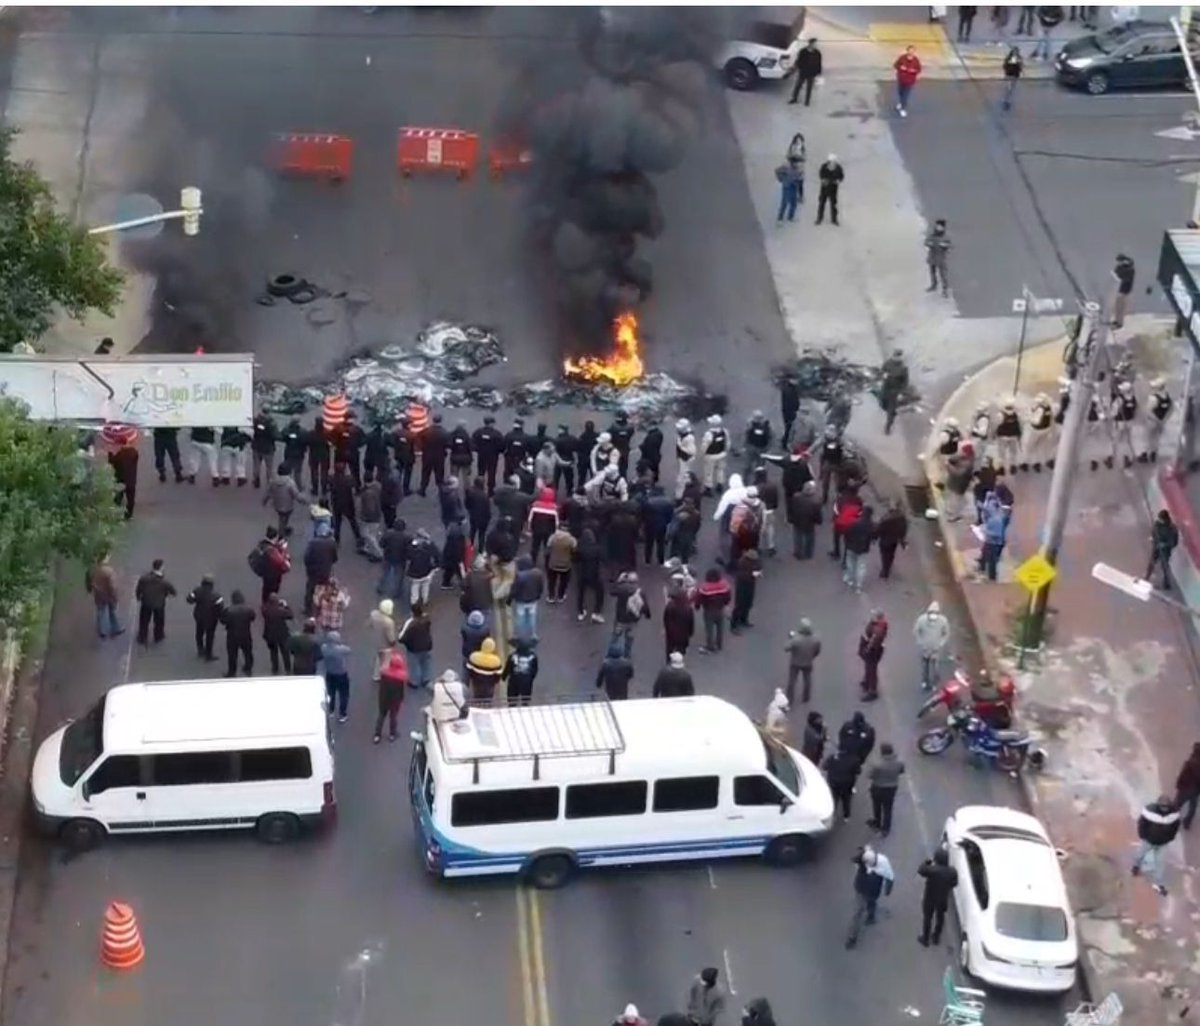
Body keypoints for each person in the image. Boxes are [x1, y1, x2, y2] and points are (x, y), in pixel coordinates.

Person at [845, 845, 895, 949]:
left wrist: (887, 890)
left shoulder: (883, 863)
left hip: (872, 890)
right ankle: (852, 937)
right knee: (858, 912)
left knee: (871, 902)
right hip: (861, 889)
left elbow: (890, 877)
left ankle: (871, 916)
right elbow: (860, 855)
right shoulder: (864, 858)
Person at [1132, 794, 1181, 896]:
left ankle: (1159, 884)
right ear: (1158, 805)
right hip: (1149, 840)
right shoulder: (1149, 811)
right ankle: (1135, 867)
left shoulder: (1174, 814)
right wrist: (1143, 835)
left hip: (1163, 843)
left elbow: (1175, 826)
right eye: (1162, 807)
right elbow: (1142, 823)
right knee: (1139, 855)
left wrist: (1170, 837)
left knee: (1160, 865)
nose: (1164, 809)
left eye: (1166, 807)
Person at [917, 848, 959, 946]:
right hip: (942, 898)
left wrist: (927, 862)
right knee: (940, 917)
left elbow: (921, 870)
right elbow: (954, 883)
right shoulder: (952, 872)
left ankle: (925, 938)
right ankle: (936, 937)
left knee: (928, 917)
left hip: (930, 897)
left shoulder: (932, 870)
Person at [866, 742, 905, 836]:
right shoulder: (899, 762)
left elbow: (870, 776)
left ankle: (877, 822)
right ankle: (886, 829)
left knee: (877, 806)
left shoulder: (878, 764)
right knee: (888, 808)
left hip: (878, 787)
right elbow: (901, 771)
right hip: (891, 788)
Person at [135, 558, 176, 646]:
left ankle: (142, 637)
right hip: (159, 605)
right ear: (161, 568)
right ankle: (158, 636)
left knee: (144, 621)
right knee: (159, 622)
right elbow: (173, 592)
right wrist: (166, 596)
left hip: (146, 603)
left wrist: (138, 597)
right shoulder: (165, 582)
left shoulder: (144, 578)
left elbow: (139, 589)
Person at [303, 518, 339, 615]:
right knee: (325, 589)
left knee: (310, 589)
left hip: (313, 571)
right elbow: (335, 557)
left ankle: (308, 609)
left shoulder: (313, 543)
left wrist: (308, 566)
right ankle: (323, 607)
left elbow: (307, 557)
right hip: (326, 570)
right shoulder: (332, 542)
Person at [612, 571, 652, 656]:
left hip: (621, 619)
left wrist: (619, 580)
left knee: (615, 637)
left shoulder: (622, 588)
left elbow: (612, 591)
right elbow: (644, 605)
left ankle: (611, 654)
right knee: (629, 639)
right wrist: (647, 614)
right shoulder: (640, 591)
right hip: (633, 620)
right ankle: (627, 656)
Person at [913, 601, 951, 691]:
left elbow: (946, 634)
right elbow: (916, 631)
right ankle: (925, 681)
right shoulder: (921, 620)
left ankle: (934, 682)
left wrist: (941, 643)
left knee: (935, 666)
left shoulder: (943, 621)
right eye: (931, 613)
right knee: (925, 666)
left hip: (935, 649)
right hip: (925, 648)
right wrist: (920, 642)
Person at [184, 573, 223, 660]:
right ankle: (208, 654)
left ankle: (200, 649)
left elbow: (189, 600)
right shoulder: (216, 595)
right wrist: (220, 617)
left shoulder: (197, 591)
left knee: (199, 632)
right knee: (210, 635)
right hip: (211, 618)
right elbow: (220, 608)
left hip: (199, 615)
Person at [694, 567, 731, 654]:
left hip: (709, 610)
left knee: (709, 629)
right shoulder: (724, 585)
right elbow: (728, 595)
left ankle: (710, 646)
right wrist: (725, 603)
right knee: (720, 628)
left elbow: (699, 598)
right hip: (720, 608)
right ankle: (719, 644)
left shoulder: (705, 587)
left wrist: (697, 606)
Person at [86, 554, 124, 640]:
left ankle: (102, 631)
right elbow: (112, 586)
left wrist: (89, 590)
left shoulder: (92, 570)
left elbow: (88, 581)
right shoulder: (109, 571)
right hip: (109, 595)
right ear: (104, 559)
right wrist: (115, 596)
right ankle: (115, 628)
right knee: (113, 611)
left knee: (100, 612)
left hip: (99, 595)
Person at [220, 589, 256, 678]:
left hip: (232, 635)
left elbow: (223, 621)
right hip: (245, 634)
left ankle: (232, 672)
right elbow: (253, 617)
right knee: (247, 652)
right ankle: (248, 668)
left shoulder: (228, 610)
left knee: (232, 654)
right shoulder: (248, 609)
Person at [784, 619, 821, 705]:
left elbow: (786, 648)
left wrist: (790, 638)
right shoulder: (815, 639)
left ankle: (789, 698)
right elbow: (817, 651)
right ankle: (806, 697)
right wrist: (812, 657)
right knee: (807, 679)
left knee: (792, 681)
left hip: (795, 662)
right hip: (808, 662)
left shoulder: (796, 639)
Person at [397, 603, 434, 689]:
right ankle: (426, 679)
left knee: (414, 665)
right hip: (427, 645)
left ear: (412, 612)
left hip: (414, 648)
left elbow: (401, 638)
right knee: (425, 662)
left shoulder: (411, 623)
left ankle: (414, 682)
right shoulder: (427, 619)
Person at [374, 649, 407, 743]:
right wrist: (401, 699)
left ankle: (377, 735)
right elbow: (401, 690)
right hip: (395, 700)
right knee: (393, 717)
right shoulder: (400, 677)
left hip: (383, 698)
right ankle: (392, 734)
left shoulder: (384, 673)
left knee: (381, 716)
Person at [508, 555, 545, 641]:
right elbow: (541, 586)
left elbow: (514, 590)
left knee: (521, 618)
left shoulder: (519, 576)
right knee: (531, 617)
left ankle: (519, 636)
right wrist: (538, 595)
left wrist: (509, 600)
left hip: (521, 601)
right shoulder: (538, 573)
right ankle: (532, 635)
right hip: (533, 600)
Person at [263, 463, 304, 538]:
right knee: (284, 518)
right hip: (288, 506)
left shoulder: (273, 481)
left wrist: (264, 501)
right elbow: (296, 495)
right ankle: (281, 534)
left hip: (277, 504)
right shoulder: (290, 483)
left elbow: (269, 492)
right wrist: (303, 500)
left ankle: (283, 529)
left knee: (281, 517)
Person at [842, 503, 875, 593]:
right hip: (864, 548)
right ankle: (859, 585)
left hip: (851, 546)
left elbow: (847, 533)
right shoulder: (871, 525)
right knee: (861, 566)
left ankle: (850, 579)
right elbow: (873, 536)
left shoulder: (854, 523)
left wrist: (847, 542)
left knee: (850, 563)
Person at [321, 629, 352, 722]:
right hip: (341, 674)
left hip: (330, 673)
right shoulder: (341, 649)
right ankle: (342, 714)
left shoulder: (324, 648)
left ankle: (331, 710)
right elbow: (349, 650)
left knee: (331, 693)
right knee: (344, 694)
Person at [729, 548, 762, 634]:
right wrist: (752, 574)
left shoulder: (756, 561)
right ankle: (734, 624)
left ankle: (744, 619)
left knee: (748, 603)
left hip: (751, 584)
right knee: (739, 604)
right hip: (742, 585)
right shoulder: (742, 562)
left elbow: (759, 567)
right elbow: (742, 575)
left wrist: (758, 572)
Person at [858, 610, 888, 701]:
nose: (872, 616)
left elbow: (873, 642)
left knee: (871, 670)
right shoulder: (876, 625)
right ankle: (867, 682)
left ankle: (872, 691)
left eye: (874, 615)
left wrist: (866, 650)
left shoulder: (878, 629)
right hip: (872, 651)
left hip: (872, 652)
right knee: (869, 668)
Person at [823, 746, 860, 820]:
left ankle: (832, 814)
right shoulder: (854, 759)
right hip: (847, 783)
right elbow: (858, 771)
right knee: (846, 799)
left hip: (834, 782)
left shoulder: (832, 757)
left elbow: (824, 767)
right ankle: (846, 815)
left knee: (834, 798)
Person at [262, 591, 294, 674]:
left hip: (270, 635)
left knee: (273, 653)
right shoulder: (281, 611)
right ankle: (288, 669)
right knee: (285, 653)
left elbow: (263, 608)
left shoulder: (266, 610)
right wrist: (286, 606)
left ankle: (275, 668)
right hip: (282, 635)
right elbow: (290, 615)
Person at [406, 529, 439, 610]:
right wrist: (436, 566)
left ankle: (414, 602)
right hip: (427, 570)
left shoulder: (412, 547)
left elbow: (408, 556)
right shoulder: (430, 546)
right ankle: (425, 600)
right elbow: (437, 555)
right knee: (426, 585)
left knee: (415, 587)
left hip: (414, 572)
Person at [108, 436, 139, 519]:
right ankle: (129, 514)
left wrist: (110, 453)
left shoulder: (120, 454)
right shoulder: (134, 452)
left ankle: (117, 513)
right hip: (131, 479)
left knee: (118, 496)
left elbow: (113, 462)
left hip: (121, 479)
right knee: (131, 498)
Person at [502, 636, 539, 705]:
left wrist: (504, 677)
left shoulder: (512, 656)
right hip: (527, 682)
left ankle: (512, 710)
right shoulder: (533, 656)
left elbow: (508, 668)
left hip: (514, 681)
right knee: (525, 700)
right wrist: (531, 677)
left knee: (512, 701)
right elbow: (535, 669)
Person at [875, 500, 908, 579]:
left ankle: (884, 570)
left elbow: (880, 528)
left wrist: (875, 536)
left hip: (884, 540)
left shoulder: (886, 518)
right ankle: (888, 568)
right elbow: (903, 530)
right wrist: (902, 540)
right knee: (891, 555)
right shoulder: (901, 518)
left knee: (884, 555)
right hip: (894, 540)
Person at [1147, 509, 1179, 590]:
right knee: (1152, 562)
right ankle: (1147, 577)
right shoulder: (1157, 524)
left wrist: (1164, 545)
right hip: (1157, 547)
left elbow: (1173, 542)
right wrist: (1154, 539)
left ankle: (1166, 583)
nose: (1159, 520)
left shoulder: (1172, 528)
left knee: (1164, 566)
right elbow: (1154, 531)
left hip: (1165, 551)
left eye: (1161, 519)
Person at [419, 413, 450, 496]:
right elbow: (448, 444)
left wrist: (423, 448)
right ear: (440, 421)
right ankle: (441, 490)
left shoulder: (426, 431)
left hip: (427, 455)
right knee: (439, 474)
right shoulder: (444, 432)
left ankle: (422, 489)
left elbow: (419, 439)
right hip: (439, 456)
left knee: (425, 473)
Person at [544, 523, 576, 603]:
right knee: (563, 581)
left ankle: (551, 596)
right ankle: (560, 596)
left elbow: (547, 549)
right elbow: (574, 550)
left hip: (553, 563)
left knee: (552, 581)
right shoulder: (571, 540)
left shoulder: (553, 537)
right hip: (565, 565)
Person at [663, 588, 696, 662]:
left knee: (670, 648)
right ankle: (678, 661)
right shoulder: (688, 609)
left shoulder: (670, 606)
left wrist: (666, 628)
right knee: (681, 648)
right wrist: (691, 632)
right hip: (684, 633)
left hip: (671, 632)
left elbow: (665, 618)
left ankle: (669, 661)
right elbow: (691, 621)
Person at [472, 415, 503, 494]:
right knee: (491, 473)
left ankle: (479, 488)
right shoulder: (497, 434)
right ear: (492, 423)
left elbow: (472, 443)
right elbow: (501, 446)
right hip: (493, 457)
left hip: (481, 456)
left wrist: (478, 450)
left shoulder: (478, 432)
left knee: (481, 472)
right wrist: (497, 452)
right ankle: (490, 490)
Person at [369, 598, 397, 682]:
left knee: (378, 658)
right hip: (385, 644)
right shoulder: (389, 622)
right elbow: (390, 636)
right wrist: (393, 642)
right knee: (385, 661)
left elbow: (370, 625)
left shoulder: (373, 614)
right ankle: (384, 676)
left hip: (376, 641)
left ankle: (376, 675)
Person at [467, 637, 503, 701]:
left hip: (477, 683)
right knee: (488, 700)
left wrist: (472, 677)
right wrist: (494, 681)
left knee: (477, 698)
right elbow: (498, 674)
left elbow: (469, 668)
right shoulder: (496, 661)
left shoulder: (474, 657)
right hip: (490, 684)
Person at [1174, 742, 1200, 830]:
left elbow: (1183, 774)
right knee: (1192, 807)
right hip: (1195, 790)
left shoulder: (1189, 763)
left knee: (1177, 804)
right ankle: (1187, 823)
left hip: (1185, 788)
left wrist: (1178, 784)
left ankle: (1171, 820)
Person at [789, 37, 822, 105]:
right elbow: (799, 61)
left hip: (812, 73)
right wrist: (798, 68)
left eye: (816, 44)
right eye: (815, 44)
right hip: (803, 72)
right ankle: (794, 98)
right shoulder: (803, 51)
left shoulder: (818, 53)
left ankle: (807, 101)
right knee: (798, 85)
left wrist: (818, 72)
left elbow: (819, 63)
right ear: (810, 44)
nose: (816, 45)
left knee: (809, 87)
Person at [925, 218, 951, 297]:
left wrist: (945, 246)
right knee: (932, 273)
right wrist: (929, 244)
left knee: (943, 274)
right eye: (937, 226)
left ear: (943, 227)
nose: (938, 228)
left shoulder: (946, 237)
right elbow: (926, 242)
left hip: (941, 258)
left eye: (939, 226)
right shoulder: (932, 235)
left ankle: (945, 289)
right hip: (932, 257)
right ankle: (934, 285)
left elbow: (950, 245)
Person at [815, 154, 844, 226]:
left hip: (833, 189)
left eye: (833, 161)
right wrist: (823, 180)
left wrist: (838, 180)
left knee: (833, 205)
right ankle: (819, 218)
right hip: (824, 188)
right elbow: (821, 174)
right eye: (831, 161)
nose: (832, 163)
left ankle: (834, 219)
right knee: (821, 203)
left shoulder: (838, 168)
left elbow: (841, 176)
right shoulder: (824, 166)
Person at [893, 45, 922, 117]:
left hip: (910, 81)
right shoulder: (902, 58)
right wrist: (900, 67)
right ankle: (901, 103)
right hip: (901, 79)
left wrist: (914, 71)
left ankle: (903, 108)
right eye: (910, 50)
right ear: (907, 51)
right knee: (900, 93)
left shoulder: (916, 60)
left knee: (905, 95)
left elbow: (919, 69)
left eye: (913, 51)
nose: (911, 52)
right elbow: (895, 65)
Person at [774, 157, 802, 224]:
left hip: (794, 187)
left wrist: (798, 184)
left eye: (797, 163)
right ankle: (780, 218)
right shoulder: (786, 167)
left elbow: (799, 178)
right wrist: (780, 178)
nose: (796, 164)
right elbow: (776, 170)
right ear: (792, 163)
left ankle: (790, 217)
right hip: (787, 187)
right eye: (795, 163)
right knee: (784, 203)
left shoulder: (798, 169)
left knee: (794, 203)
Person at [1001, 45, 1023, 110]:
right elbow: (1005, 65)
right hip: (1010, 74)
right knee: (1009, 88)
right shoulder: (1010, 58)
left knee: (1011, 88)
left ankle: (1007, 100)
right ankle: (1007, 100)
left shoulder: (1018, 58)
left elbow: (1020, 66)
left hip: (1015, 75)